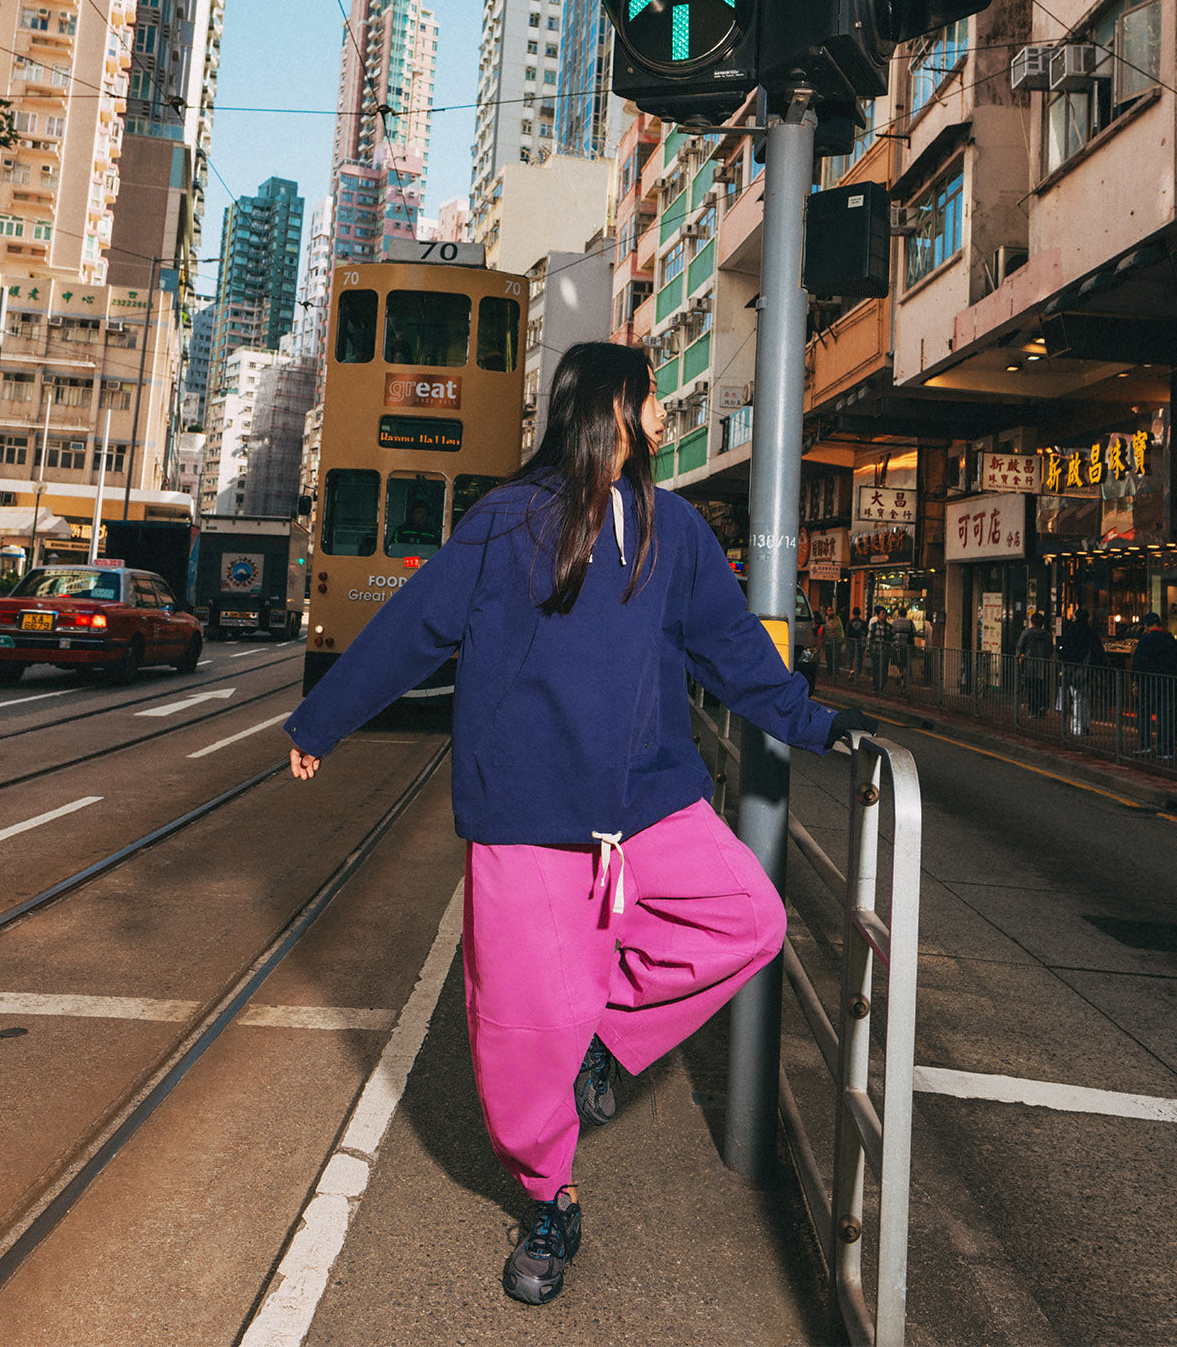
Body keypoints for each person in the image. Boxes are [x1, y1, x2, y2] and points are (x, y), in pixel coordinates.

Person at [284, 343, 875, 1307]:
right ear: (615, 407)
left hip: (649, 803)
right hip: (523, 820)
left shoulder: (672, 529)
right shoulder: (504, 522)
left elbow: (733, 653)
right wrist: (323, 720)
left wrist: (815, 722)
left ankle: (607, 1040)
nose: (662, 422)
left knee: (749, 921)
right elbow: (412, 629)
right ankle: (551, 1200)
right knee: (519, 1036)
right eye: (651, 404)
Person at [1132, 611, 1177, 759]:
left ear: (1147, 625)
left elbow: (1138, 663)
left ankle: (1145, 744)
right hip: (1168, 681)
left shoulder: (1145, 641)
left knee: (1144, 712)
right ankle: (1166, 749)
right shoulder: (1170, 639)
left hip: (1148, 682)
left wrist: (1136, 682)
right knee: (1166, 715)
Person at [1056, 608, 1106, 735]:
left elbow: (1064, 651)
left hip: (1072, 669)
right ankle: (1085, 725)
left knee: (1077, 698)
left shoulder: (1071, 632)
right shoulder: (1090, 632)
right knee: (1083, 698)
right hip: (1086, 670)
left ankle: (1077, 727)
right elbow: (1098, 652)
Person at [1014, 612, 1054, 718]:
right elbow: (1050, 649)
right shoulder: (1048, 635)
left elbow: (1019, 647)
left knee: (1030, 688)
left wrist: (1018, 660)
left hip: (1029, 665)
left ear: (1031, 622)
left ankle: (1033, 710)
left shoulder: (1026, 633)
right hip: (1043, 665)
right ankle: (1042, 707)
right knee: (1041, 688)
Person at [868, 604, 893, 693]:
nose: (884, 615)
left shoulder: (889, 627)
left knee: (884, 671)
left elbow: (892, 638)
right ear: (878, 615)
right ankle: (876, 687)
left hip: (885, 652)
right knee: (876, 670)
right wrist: (868, 650)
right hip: (876, 652)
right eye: (882, 613)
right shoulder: (874, 626)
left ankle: (881, 685)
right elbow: (870, 638)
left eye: (884, 613)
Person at [821, 604, 845, 680]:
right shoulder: (825, 619)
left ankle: (836, 671)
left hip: (837, 641)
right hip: (828, 642)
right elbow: (822, 629)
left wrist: (842, 638)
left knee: (837, 657)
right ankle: (830, 672)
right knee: (829, 657)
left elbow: (841, 629)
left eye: (831, 610)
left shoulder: (838, 619)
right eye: (829, 610)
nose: (830, 612)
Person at [846, 606, 868, 679]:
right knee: (859, 658)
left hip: (852, 643)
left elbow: (847, 633)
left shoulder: (850, 622)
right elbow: (866, 632)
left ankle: (851, 671)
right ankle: (857, 674)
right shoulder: (863, 623)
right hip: (860, 643)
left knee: (851, 658)